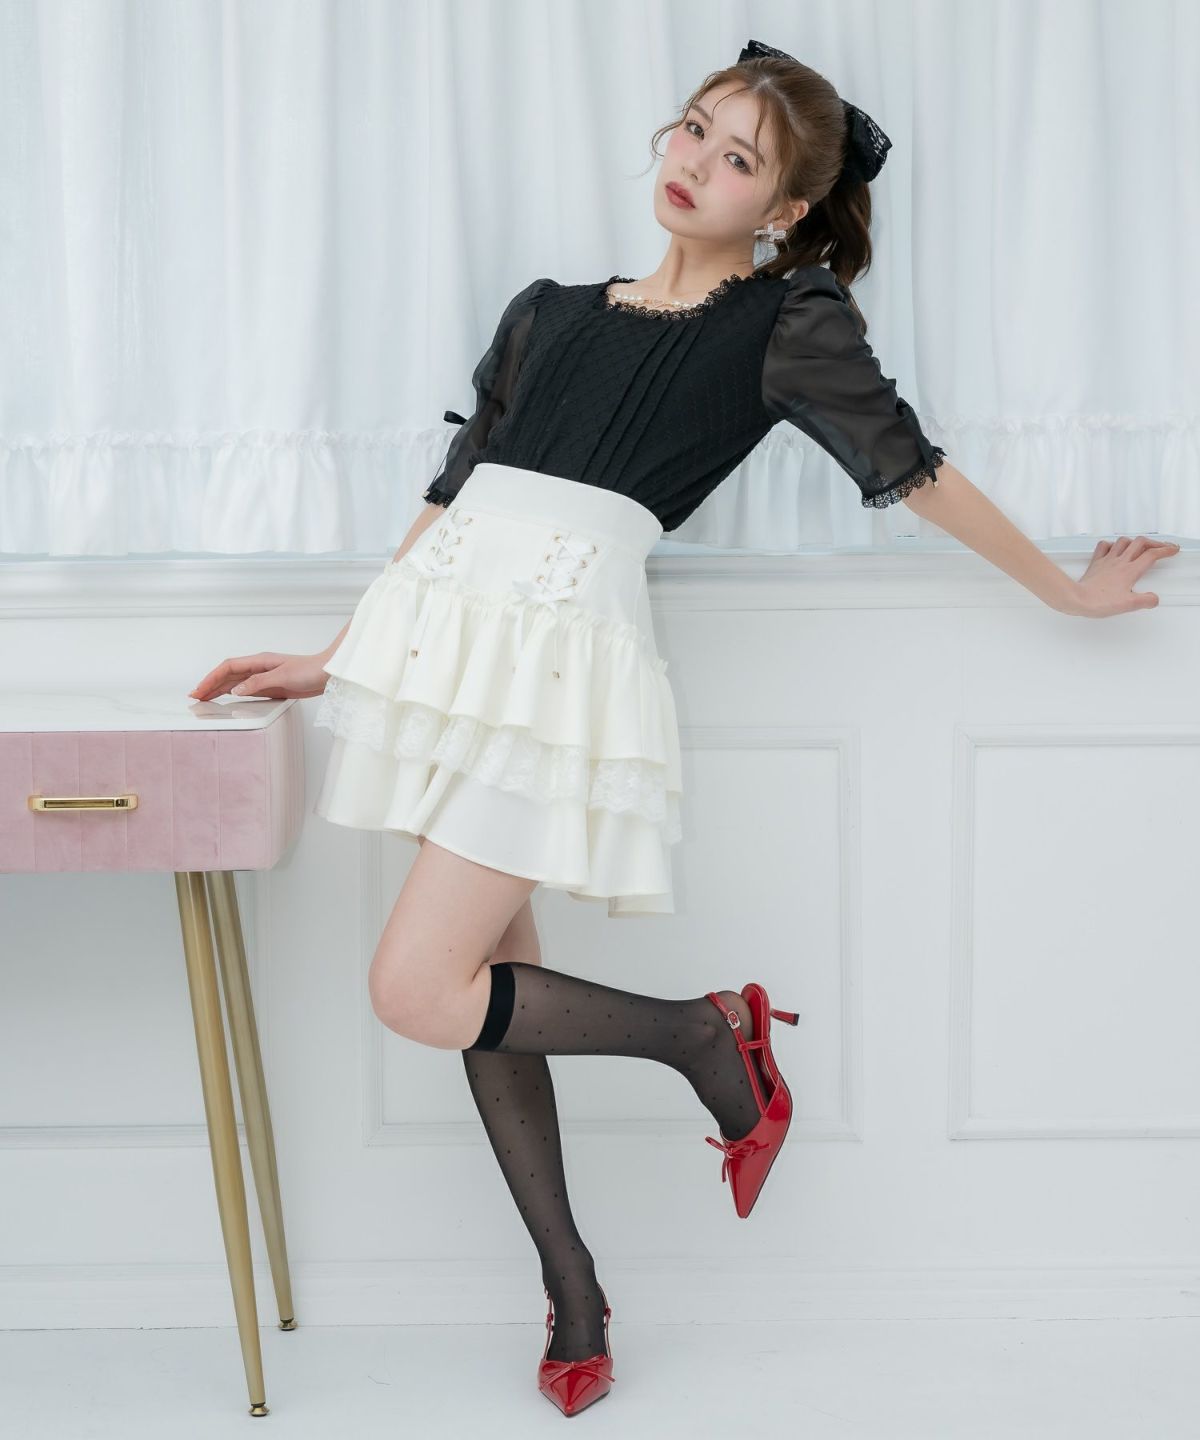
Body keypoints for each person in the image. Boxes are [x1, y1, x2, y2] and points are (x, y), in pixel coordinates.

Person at [187, 38, 1179, 1418]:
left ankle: (708, 1036)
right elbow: (455, 493)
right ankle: (574, 1290)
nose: (695, 164)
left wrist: (1066, 593)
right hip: (446, 654)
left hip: (557, 673)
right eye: (694, 130)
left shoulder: (783, 322)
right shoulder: (546, 311)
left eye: (738, 158)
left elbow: (917, 471)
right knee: (491, 982)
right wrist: (340, 658)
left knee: (416, 988)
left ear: (784, 207)